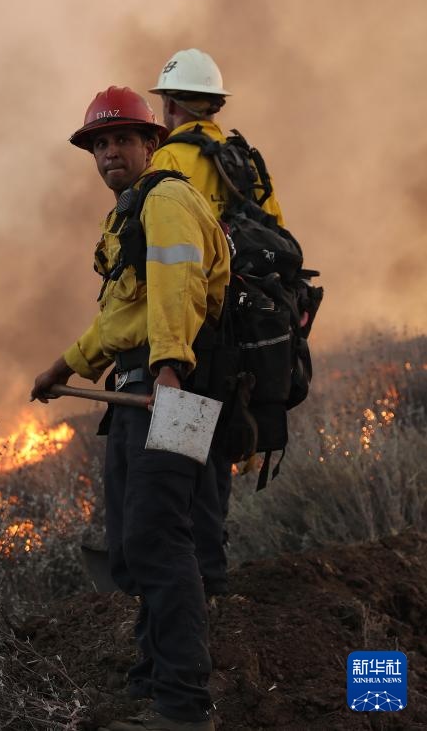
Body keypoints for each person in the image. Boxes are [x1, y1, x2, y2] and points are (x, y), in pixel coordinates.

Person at [30, 85, 229, 731]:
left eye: (121, 139)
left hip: (171, 390)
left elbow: (177, 285)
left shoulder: (166, 199)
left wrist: (169, 367)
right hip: (142, 389)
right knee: (133, 542)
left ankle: (182, 708)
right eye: (99, 144)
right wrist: (64, 366)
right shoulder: (130, 212)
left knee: (157, 537)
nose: (109, 152)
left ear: (150, 144)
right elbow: (122, 315)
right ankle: (153, 678)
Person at [148, 48, 288, 597]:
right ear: (214, 105)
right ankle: (215, 567)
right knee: (218, 450)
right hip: (245, 334)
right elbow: (280, 241)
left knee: (182, 456)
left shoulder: (167, 160)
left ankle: (193, 579)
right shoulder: (245, 162)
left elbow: (157, 252)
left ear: (171, 106)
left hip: (195, 331)